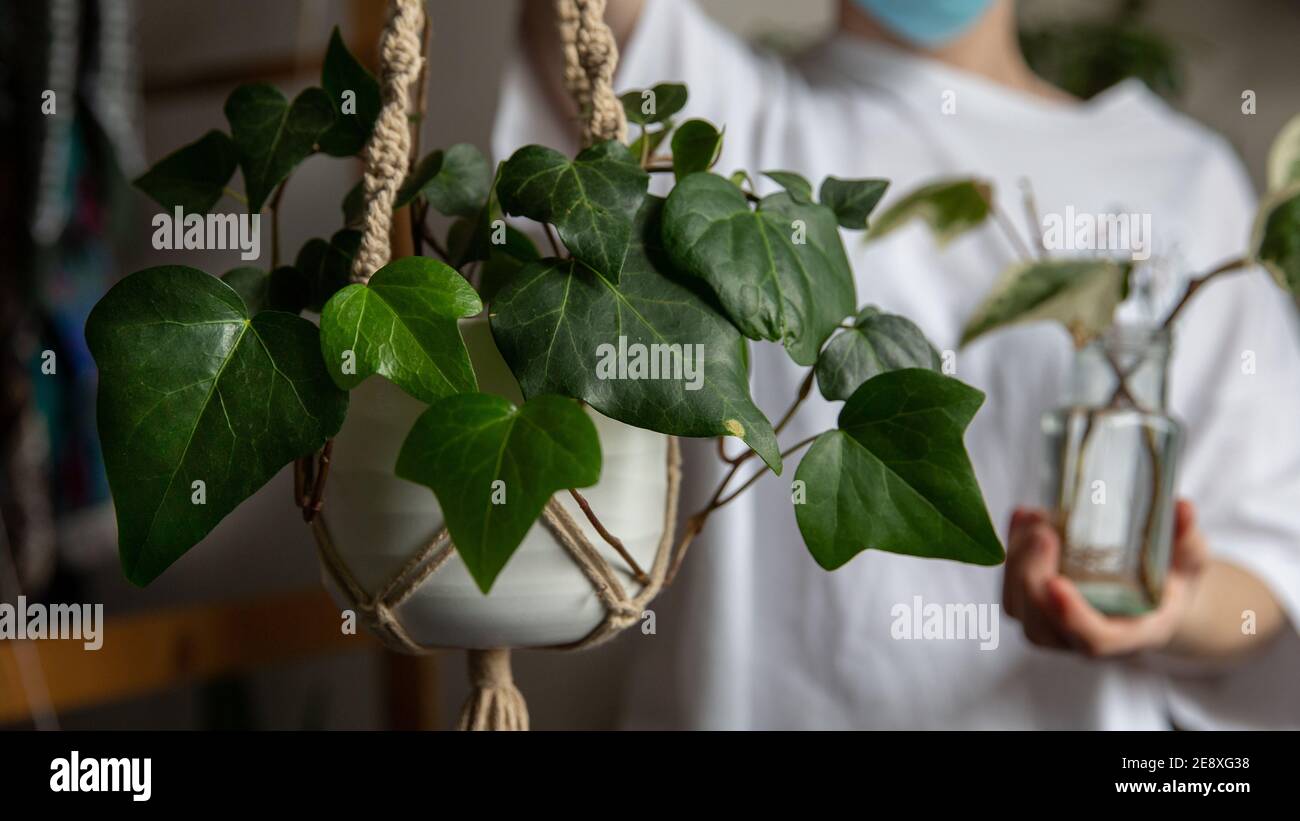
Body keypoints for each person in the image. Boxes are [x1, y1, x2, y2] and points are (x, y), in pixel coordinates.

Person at [494, 0, 1300, 728]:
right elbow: (577, 26)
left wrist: (1165, 605)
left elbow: (1268, 566)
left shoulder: (1183, 179)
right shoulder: (728, 118)